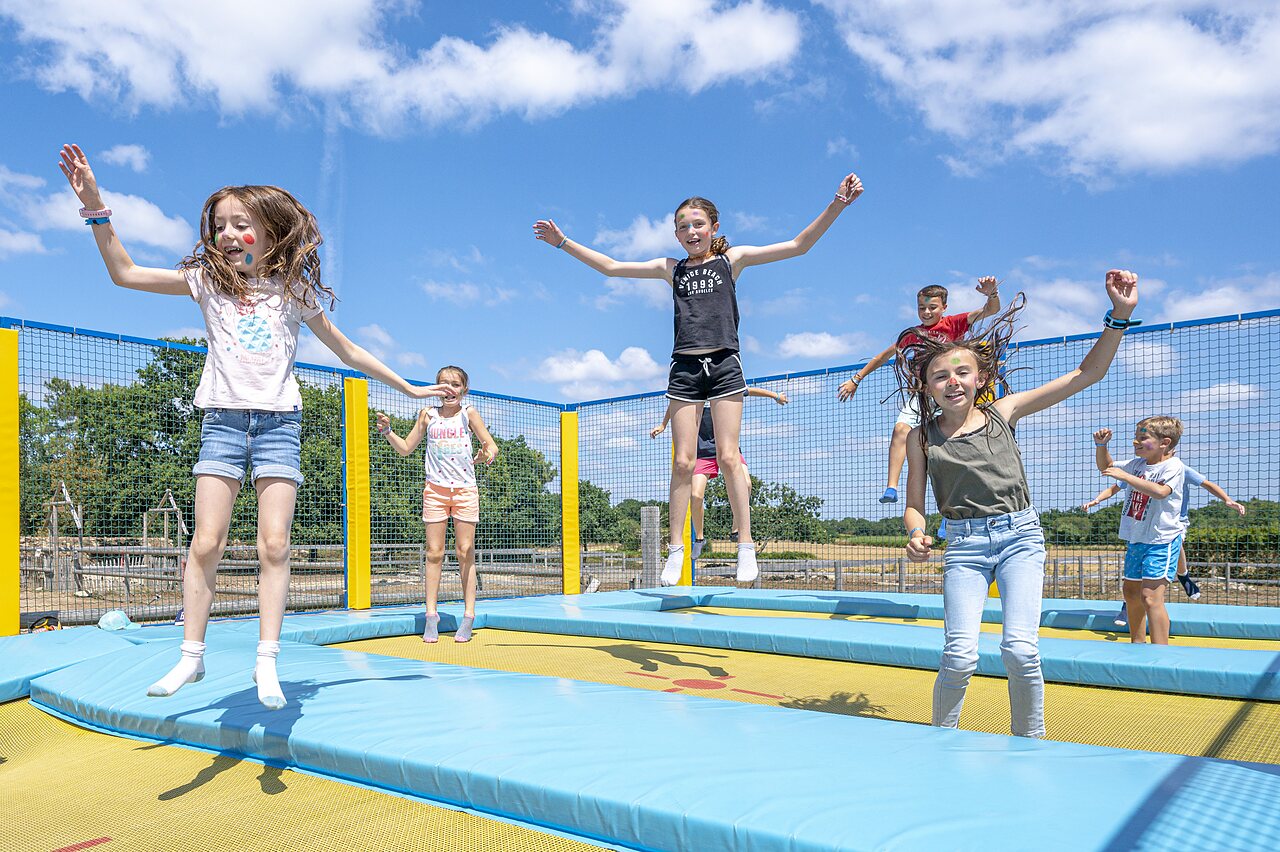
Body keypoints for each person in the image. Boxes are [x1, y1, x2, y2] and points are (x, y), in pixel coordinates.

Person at [58, 144, 443, 709]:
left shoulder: (293, 291)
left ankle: (267, 661)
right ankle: (191, 655)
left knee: (275, 543)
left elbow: (348, 350)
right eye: (220, 226)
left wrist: (408, 389)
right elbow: (126, 273)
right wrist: (96, 207)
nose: (229, 235)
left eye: (241, 224)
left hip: (279, 425)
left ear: (269, 231)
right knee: (206, 541)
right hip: (223, 421)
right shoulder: (205, 281)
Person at [535, 173, 863, 586]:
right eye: (683, 227)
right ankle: (677, 549)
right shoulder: (670, 269)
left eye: (698, 224)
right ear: (676, 234)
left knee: (728, 457)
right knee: (683, 462)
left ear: (713, 227)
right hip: (685, 369)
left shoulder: (732, 261)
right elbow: (612, 268)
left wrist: (837, 204)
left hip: (724, 363)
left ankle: (745, 545)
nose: (691, 232)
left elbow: (799, 245)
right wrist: (563, 242)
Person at [902, 269, 1140, 738]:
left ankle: (1029, 741)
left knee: (1020, 650)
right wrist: (915, 532)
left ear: (980, 377)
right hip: (964, 546)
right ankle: (940, 739)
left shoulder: (1003, 412)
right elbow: (914, 503)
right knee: (959, 655)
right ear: (926, 386)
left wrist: (1119, 315)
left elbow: (1086, 374)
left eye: (962, 372)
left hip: (1019, 538)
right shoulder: (920, 437)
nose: (953, 382)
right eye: (940, 376)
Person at [838, 278, 1002, 504]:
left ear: (944, 307)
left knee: (953, 443)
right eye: (921, 308)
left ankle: (964, 495)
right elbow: (883, 356)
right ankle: (891, 487)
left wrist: (992, 294)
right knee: (900, 429)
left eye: (932, 307)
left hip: (950, 395)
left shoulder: (954, 323)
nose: (926, 312)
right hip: (924, 394)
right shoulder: (913, 334)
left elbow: (991, 310)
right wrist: (856, 379)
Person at [376, 366, 497, 644]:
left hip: (465, 491)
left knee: (465, 551)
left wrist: (486, 456)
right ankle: (431, 616)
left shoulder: (469, 413)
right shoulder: (427, 415)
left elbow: (491, 446)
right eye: (443, 384)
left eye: (455, 384)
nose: (449, 389)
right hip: (435, 491)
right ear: (435, 388)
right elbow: (406, 448)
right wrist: (388, 431)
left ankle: (468, 616)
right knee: (434, 553)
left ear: (464, 389)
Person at [1083, 453, 1246, 623]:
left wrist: (1227, 500)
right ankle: (1128, 604)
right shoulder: (1139, 469)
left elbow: (1207, 484)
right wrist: (1096, 500)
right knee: (1137, 568)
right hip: (1144, 523)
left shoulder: (1178, 468)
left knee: (1175, 542)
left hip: (1174, 521)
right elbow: (1115, 487)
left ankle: (1183, 575)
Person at [650, 387, 789, 559]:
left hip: (728, 450)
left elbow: (748, 390)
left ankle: (736, 529)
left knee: (746, 484)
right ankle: (699, 538)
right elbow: (676, 404)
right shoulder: (695, 390)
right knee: (696, 495)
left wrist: (776, 396)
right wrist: (663, 424)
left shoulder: (721, 387)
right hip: (703, 452)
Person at [1089, 420, 1189, 644]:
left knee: (1150, 597)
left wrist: (1126, 477)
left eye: (1143, 438)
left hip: (1161, 540)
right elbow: (1107, 467)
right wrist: (1101, 446)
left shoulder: (1172, 466)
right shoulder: (1137, 464)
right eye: (1136, 437)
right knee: (1131, 593)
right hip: (1137, 539)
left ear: (1164, 443)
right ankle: (1137, 643)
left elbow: (1161, 492)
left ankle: (1160, 650)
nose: (1136, 441)